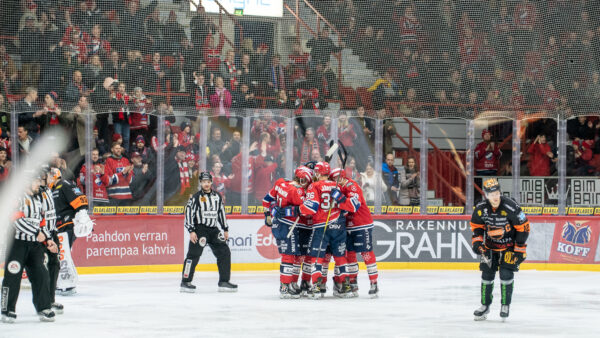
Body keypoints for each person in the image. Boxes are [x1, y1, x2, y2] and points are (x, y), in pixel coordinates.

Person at [299, 161, 361, 298]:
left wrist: (299, 209)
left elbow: (311, 207)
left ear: (317, 173)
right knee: (340, 257)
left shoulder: (314, 186)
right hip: (339, 225)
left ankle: (316, 286)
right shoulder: (337, 186)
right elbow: (351, 206)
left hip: (322, 226)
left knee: (318, 257)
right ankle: (345, 286)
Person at [470, 178, 529, 321]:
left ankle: (505, 305)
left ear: (500, 192)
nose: (495, 197)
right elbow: (476, 228)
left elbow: (524, 227)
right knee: (487, 275)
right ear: (486, 195)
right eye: (491, 194)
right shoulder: (480, 209)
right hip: (490, 247)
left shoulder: (511, 206)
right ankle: (485, 305)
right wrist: (478, 243)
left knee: (506, 274)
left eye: (497, 193)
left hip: (509, 247)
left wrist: (520, 247)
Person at [1, 174, 57, 323]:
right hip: (17, 245)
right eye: (35, 182)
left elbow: (42, 222)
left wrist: (49, 239)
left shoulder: (38, 199)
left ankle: (44, 307)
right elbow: (16, 220)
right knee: (13, 277)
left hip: (35, 246)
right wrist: (36, 232)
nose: (38, 184)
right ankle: (7, 310)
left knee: (41, 274)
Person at [181, 172, 237, 293]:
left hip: (213, 230)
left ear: (211, 182)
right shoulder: (195, 197)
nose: (206, 184)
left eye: (208, 181)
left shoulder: (217, 196)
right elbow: (189, 214)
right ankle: (185, 282)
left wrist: (225, 229)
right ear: (200, 183)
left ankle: (224, 281)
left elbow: (221, 213)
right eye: (203, 182)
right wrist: (191, 231)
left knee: (224, 252)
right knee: (193, 255)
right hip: (200, 229)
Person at [262, 166, 312, 298]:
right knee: (288, 256)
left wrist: (269, 214)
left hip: (277, 224)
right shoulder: (297, 191)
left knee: (288, 255)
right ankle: (284, 287)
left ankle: (286, 285)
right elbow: (305, 209)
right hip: (288, 226)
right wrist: (290, 211)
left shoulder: (280, 182)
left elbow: (266, 200)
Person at [329, 168, 379, 298]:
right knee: (349, 255)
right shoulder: (341, 188)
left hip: (361, 224)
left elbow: (353, 206)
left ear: (340, 179)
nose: (333, 183)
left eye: (334, 180)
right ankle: (353, 283)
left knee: (366, 253)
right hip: (347, 226)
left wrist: (339, 197)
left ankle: (374, 283)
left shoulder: (352, 186)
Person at [47, 167, 94, 296]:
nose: (47, 179)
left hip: (67, 225)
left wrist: (82, 214)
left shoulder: (64, 185)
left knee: (63, 253)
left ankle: (67, 284)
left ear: (54, 176)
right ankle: (64, 281)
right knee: (62, 253)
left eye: (48, 176)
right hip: (58, 227)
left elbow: (80, 199)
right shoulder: (52, 190)